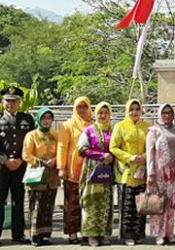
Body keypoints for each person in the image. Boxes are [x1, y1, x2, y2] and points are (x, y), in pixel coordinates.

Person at [0, 86, 35, 247]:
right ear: (2, 102)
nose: (10, 104)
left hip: (20, 167)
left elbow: (31, 141)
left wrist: (21, 159)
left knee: (18, 201)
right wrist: (6, 160)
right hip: (1, 168)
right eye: (7, 100)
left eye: (14, 101)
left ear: (19, 102)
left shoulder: (27, 119)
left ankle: (18, 234)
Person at [110, 99, 152, 245]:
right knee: (127, 205)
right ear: (127, 111)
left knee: (140, 204)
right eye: (131, 109)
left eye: (137, 109)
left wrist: (144, 157)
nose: (134, 112)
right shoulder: (120, 126)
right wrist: (129, 157)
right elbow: (113, 147)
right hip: (125, 171)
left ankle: (139, 233)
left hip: (141, 170)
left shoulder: (147, 126)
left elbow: (152, 146)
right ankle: (127, 235)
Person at [146, 103, 175, 245]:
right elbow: (149, 154)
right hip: (158, 173)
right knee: (159, 204)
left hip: (173, 173)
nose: (167, 115)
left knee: (170, 204)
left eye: (170, 112)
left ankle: (169, 233)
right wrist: (150, 174)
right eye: (164, 113)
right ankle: (159, 234)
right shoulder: (153, 131)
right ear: (159, 114)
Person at [78, 101, 115, 247]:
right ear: (95, 114)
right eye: (100, 112)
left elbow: (117, 147)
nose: (103, 115)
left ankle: (103, 233)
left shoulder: (113, 130)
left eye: (106, 112)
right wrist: (101, 156)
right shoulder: (89, 130)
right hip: (92, 171)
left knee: (105, 203)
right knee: (91, 201)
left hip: (107, 171)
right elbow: (81, 148)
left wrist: (111, 156)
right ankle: (91, 235)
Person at [57, 96, 92, 244]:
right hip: (72, 170)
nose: (82, 110)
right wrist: (61, 167)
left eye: (85, 107)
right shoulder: (67, 125)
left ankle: (86, 231)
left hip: (90, 169)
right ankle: (72, 233)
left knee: (87, 203)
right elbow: (62, 147)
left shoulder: (93, 125)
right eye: (79, 107)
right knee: (71, 203)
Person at [22, 107, 60, 246]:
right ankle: (34, 235)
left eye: (49, 118)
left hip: (52, 175)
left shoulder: (56, 134)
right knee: (36, 204)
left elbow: (61, 150)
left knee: (48, 205)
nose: (46, 121)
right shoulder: (32, 135)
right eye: (43, 118)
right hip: (36, 174)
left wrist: (55, 159)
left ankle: (45, 235)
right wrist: (41, 162)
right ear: (38, 119)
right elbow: (26, 154)